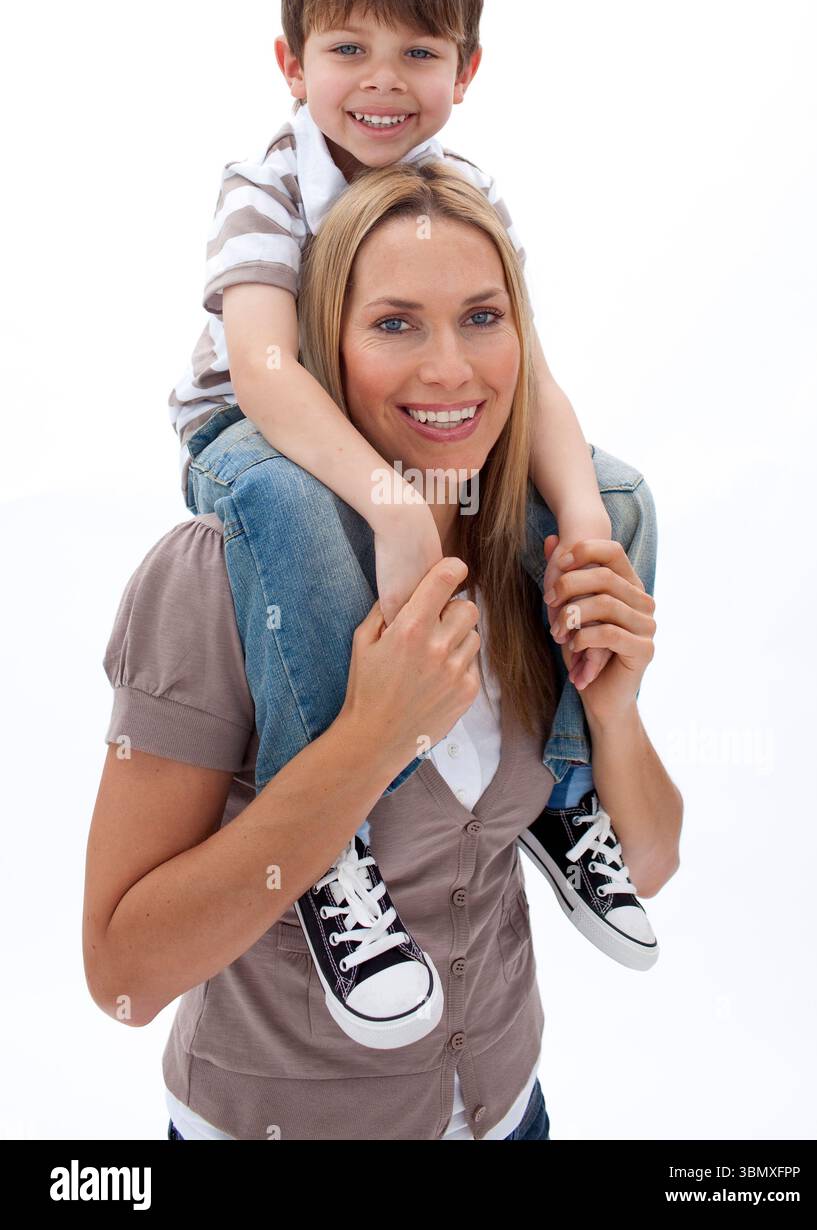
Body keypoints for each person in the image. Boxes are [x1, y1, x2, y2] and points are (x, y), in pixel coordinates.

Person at [83, 158, 682, 1140]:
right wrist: (366, 742)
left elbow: (650, 863)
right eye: (395, 322)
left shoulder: (536, 554)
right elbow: (122, 980)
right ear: (324, 345)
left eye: (483, 318)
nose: (450, 368)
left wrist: (613, 713)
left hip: (508, 1113)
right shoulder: (213, 574)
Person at [165, 0, 660, 1020]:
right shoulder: (266, 186)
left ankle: (563, 788)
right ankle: (331, 840)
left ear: (465, 69)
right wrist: (393, 508)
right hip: (267, 438)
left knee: (619, 493)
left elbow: (525, 372)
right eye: (347, 49)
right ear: (292, 63)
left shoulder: (462, 192)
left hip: (414, 434)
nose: (381, 82)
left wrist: (579, 516)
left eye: (418, 52)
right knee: (292, 501)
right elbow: (265, 370)